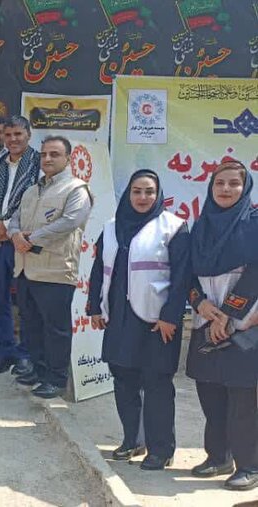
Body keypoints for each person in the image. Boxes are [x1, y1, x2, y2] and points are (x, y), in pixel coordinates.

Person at [87, 170, 190, 470]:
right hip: (119, 318)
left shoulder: (174, 227)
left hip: (157, 322)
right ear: (128, 194)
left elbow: (182, 276)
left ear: (158, 195)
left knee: (157, 383)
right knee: (124, 380)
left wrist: (171, 316)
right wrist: (95, 308)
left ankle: (161, 449)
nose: (143, 197)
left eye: (149, 191)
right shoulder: (111, 227)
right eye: (137, 191)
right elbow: (99, 269)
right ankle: (133, 440)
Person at [186, 160, 258, 491]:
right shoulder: (201, 226)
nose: (226, 189)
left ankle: (250, 465)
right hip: (205, 318)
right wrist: (199, 302)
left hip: (244, 324)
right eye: (220, 183)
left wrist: (228, 314)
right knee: (210, 391)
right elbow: (186, 272)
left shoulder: (254, 223)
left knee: (242, 397)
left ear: (245, 188)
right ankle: (218, 457)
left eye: (233, 183)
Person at [9, 135, 92, 399]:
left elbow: (69, 222)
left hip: (56, 272)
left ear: (68, 158)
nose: (47, 159)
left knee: (56, 329)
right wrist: (15, 235)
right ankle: (39, 370)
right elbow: (14, 219)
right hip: (26, 269)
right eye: (44, 154)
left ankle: (56, 379)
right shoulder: (31, 190)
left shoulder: (76, 190)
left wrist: (31, 239)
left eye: (54, 154)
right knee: (31, 324)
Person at [0, 116, 39, 375]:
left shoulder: (38, 164)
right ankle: (5, 352)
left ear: (28, 135)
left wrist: (7, 226)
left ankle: (25, 355)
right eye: (8, 135)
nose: (13, 139)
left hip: (23, 242)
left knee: (25, 303)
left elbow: (34, 203)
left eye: (18, 134)